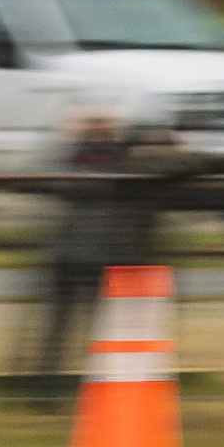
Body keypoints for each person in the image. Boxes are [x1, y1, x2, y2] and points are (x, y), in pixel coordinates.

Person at [20, 110, 181, 406]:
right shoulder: (121, 163)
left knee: (66, 331)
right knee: (91, 332)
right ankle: (69, 392)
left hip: (79, 256)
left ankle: (49, 393)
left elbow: (39, 181)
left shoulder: (74, 161)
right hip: (95, 256)